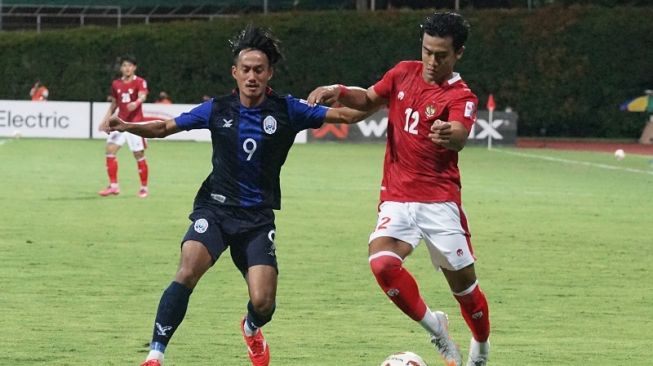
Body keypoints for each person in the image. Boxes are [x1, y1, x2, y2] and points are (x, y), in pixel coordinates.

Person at [102, 25, 370, 366]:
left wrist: (344, 91)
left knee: (263, 302)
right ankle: (155, 355)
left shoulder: (289, 110)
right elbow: (164, 128)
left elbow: (356, 114)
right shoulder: (217, 109)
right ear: (235, 72)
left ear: (270, 72)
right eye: (246, 69)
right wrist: (127, 126)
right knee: (187, 270)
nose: (252, 76)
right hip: (214, 209)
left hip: (257, 219)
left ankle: (251, 327)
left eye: (259, 70)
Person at [307, 11, 490, 366]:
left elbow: (460, 134)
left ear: (458, 54)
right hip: (397, 197)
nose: (432, 61)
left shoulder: (462, 94)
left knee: (465, 291)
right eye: (427, 51)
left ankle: (480, 348)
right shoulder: (403, 71)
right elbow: (369, 98)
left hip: (440, 203)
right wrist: (339, 91)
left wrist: (448, 134)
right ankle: (435, 327)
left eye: (441, 55)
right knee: (382, 264)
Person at [98, 55, 150, 198]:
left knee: (138, 155)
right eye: (124, 65)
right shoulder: (116, 84)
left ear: (134, 67)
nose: (127, 68)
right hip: (120, 123)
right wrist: (105, 120)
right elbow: (114, 104)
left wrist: (137, 102)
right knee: (109, 150)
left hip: (136, 124)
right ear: (121, 68)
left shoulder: (140, 81)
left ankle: (144, 188)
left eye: (130, 65)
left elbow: (143, 95)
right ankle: (114, 186)